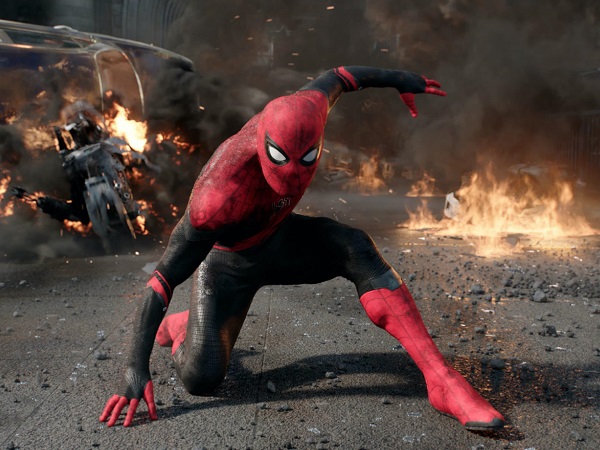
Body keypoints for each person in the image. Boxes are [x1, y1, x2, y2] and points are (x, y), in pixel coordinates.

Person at [100, 66, 505, 430]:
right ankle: (185, 327)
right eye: (280, 158)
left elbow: (345, 76)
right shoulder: (217, 195)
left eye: (307, 159)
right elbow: (161, 281)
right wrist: (134, 369)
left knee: (355, 246)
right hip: (227, 265)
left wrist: (402, 79)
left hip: (279, 240)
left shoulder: (312, 104)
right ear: (262, 143)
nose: (294, 176)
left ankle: (441, 380)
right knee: (202, 379)